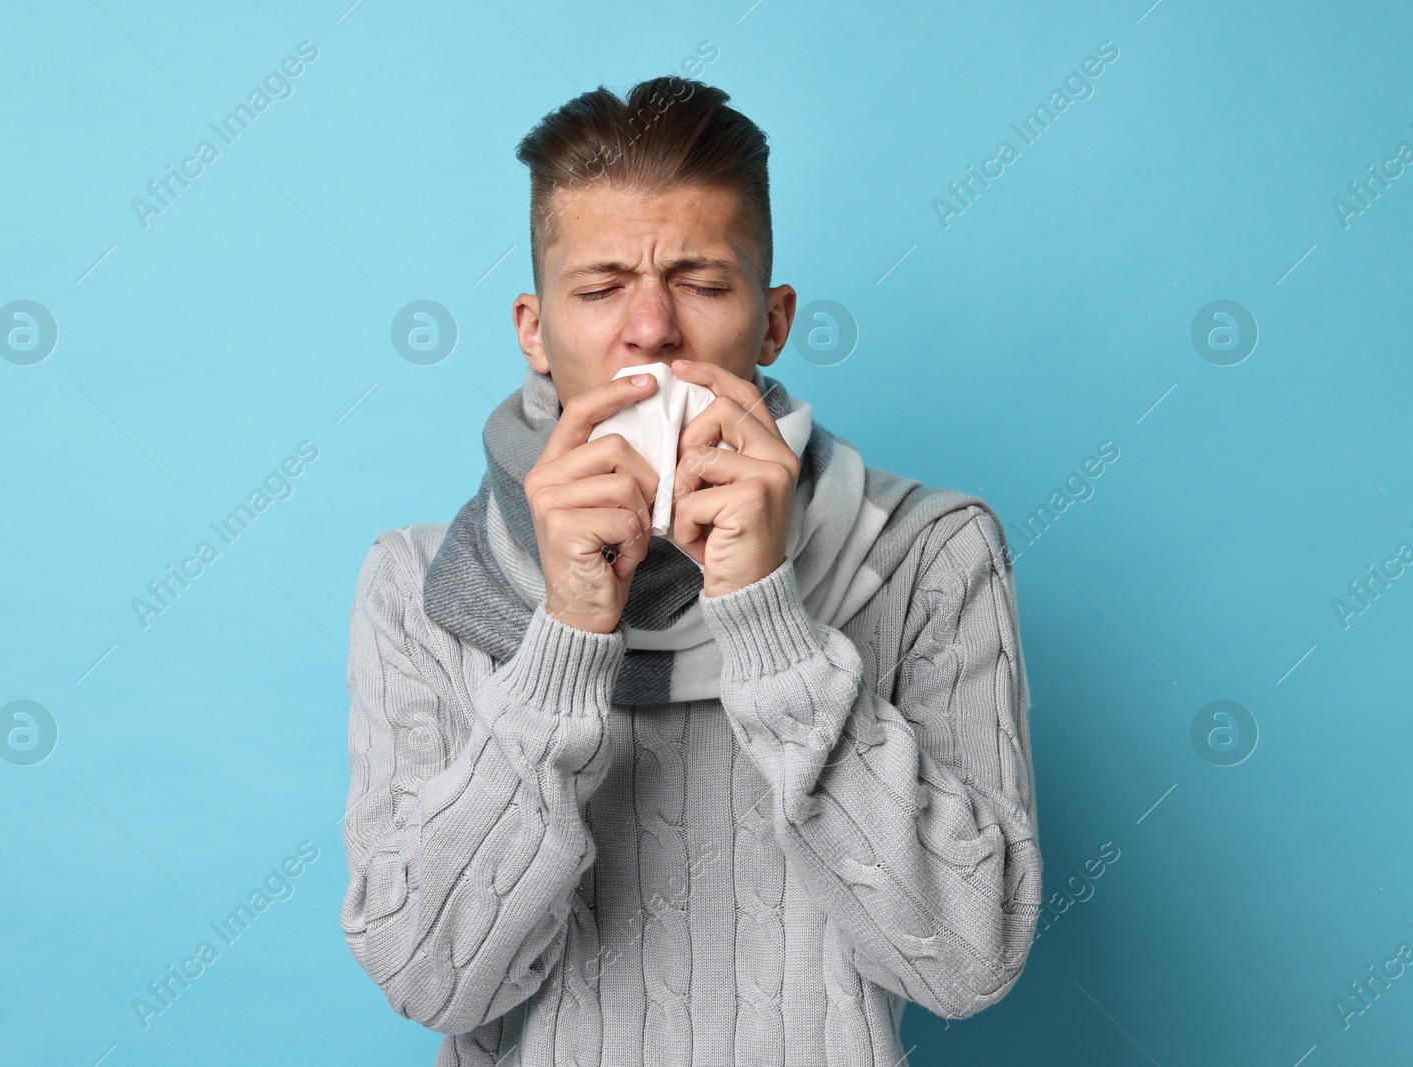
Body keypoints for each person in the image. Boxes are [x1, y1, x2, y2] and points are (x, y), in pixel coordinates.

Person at [340, 75, 1040, 1067]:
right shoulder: (417, 584)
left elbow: (968, 961)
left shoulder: (927, 551)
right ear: (534, 331)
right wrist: (569, 636)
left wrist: (768, 622)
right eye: (599, 287)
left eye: (703, 284)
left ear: (772, 322)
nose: (652, 329)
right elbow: (429, 978)